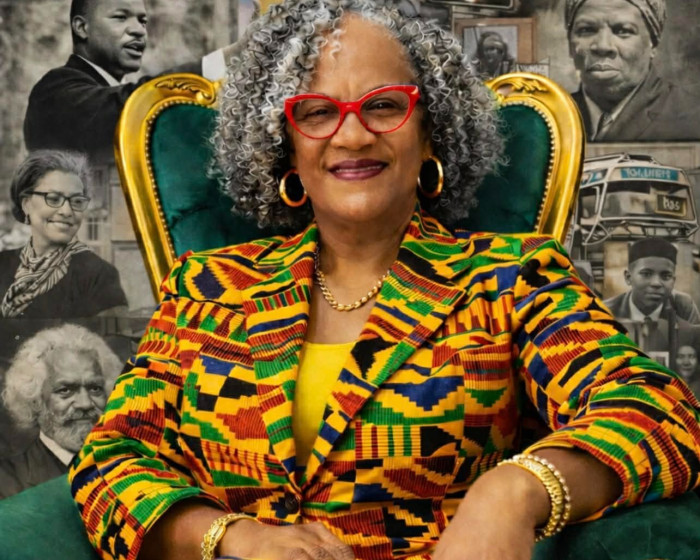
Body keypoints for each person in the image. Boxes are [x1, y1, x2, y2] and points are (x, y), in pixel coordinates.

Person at [70, 1, 700, 559]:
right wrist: (230, 537)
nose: (351, 134)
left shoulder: (512, 277)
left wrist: (515, 492)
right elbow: (109, 459)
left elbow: (661, 413)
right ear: (285, 147)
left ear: (431, 133)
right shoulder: (207, 286)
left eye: (384, 106)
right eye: (317, 112)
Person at [23, 0, 231, 163]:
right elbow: (132, 106)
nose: (139, 30)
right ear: (82, 27)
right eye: (120, 17)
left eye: (142, 21)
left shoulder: (104, 90)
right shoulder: (53, 92)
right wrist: (221, 62)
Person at [0, 150, 128, 319]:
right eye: (54, 199)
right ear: (26, 204)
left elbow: (113, 336)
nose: (67, 211)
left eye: (77, 201)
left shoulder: (98, 275)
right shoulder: (2, 264)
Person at [0, 324, 121, 499]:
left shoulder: (134, 467)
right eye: (65, 390)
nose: (85, 403)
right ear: (35, 400)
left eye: (95, 388)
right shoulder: (6, 482)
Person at [565, 0, 700, 142]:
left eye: (623, 31)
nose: (603, 46)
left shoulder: (694, 116)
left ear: (653, 44)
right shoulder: (552, 115)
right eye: (586, 30)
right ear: (570, 44)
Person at [603, 238, 700, 324]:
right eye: (646, 274)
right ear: (628, 277)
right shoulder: (604, 312)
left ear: (673, 281)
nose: (656, 283)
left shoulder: (683, 307)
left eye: (666, 276)